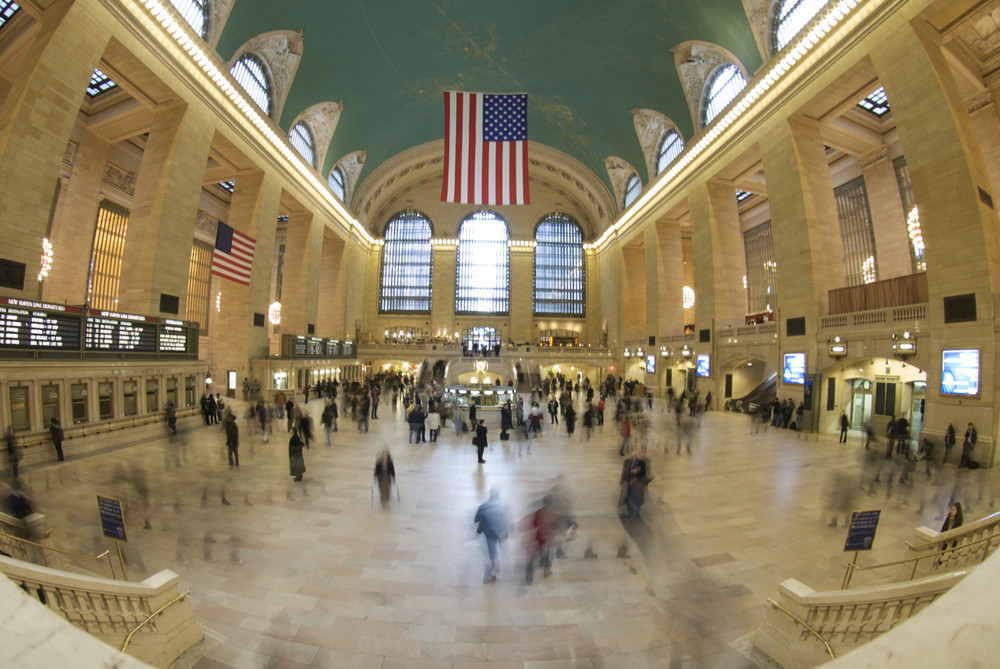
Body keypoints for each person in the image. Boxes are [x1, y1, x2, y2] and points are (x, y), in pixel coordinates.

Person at [475, 489, 509, 583]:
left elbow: (476, 519)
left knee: (492, 552)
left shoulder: (484, 507)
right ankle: (498, 566)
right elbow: (507, 519)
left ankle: (493, 571)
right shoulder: (503, 507)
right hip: (501, 532)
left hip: (490, 534)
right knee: (501, 547)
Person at [619, 451, 651, 521]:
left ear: (636, 457)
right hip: (628, 484)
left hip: (637, 486)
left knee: (637, 501)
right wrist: (622, 482)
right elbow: (624, 472)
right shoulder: (627, 462)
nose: (631, 458)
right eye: (631, 457)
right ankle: (630, 513)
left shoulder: (641, 463)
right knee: (627, 500)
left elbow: (644, 474)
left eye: (633, 457)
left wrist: (637, 472)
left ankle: (637, 514)